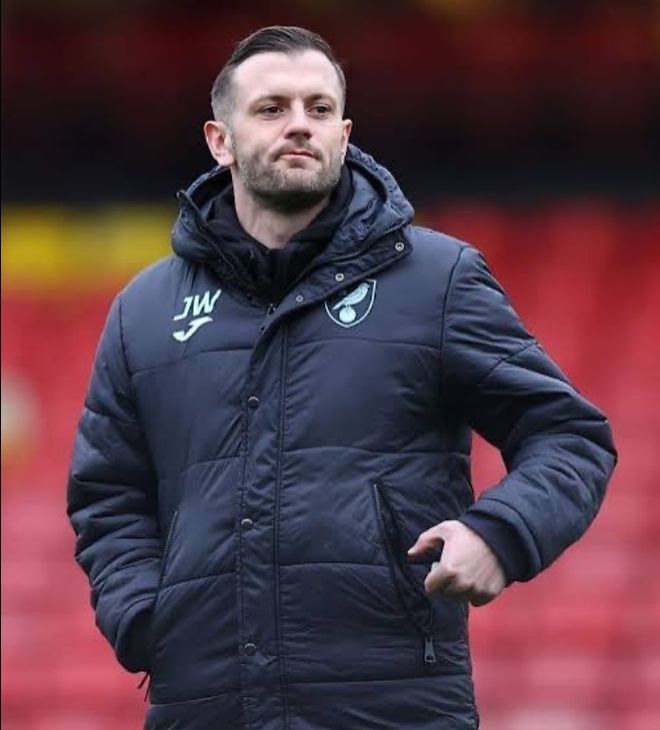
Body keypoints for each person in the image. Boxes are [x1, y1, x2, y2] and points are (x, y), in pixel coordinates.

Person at [67, 25, 617, 730]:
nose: (300, 124)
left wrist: (501, 536)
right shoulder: (143, 310)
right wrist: (145, 617)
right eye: (272, 108)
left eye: (319, 108)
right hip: (205, 704)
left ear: (345, 133)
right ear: (220, 140)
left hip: (394, 704)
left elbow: (570, 436)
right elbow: (107, 493)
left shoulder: (437, 280)